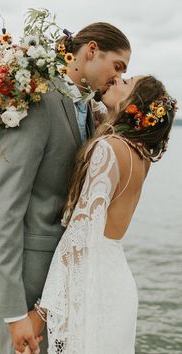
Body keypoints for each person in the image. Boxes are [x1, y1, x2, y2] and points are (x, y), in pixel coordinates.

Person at [0, 22, 131, 354]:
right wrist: (15, 313)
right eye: (117, 66)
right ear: (91, 51)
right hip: (25, 280)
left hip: (57, 285)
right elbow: (3, 208)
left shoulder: (86, 110)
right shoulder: (39, 100)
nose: (117, 78)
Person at [26, 75, 177, 354]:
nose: (117, 79)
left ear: (134, 103)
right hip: (116, 279)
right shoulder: (140, 156)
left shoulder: (109, 149)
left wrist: (42, 311)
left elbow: (79, 239)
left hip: (94, 285)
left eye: (127, 82)